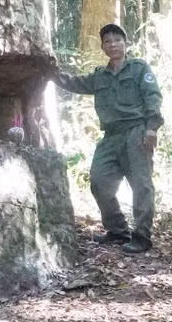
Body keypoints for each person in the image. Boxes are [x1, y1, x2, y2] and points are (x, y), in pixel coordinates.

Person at [52, 23, 163, 253]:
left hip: (136, 131)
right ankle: (118, 230)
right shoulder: (99, 76)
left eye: (117, 40)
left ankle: (142, 236)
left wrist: (152, 128)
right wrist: (50, 73)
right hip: (110, 136)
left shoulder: (139, 68)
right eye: (108, 42)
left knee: (141, 185)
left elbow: (153, 96)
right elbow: (74, 83)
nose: (113, 45)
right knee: (99, 182)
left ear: (125, 43)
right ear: (103, 47)